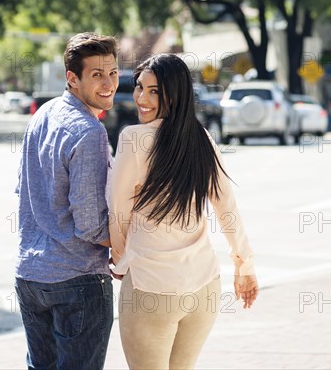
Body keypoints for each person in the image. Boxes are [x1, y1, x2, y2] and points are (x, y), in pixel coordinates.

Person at [109, 54, 258, 370]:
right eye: (139, 88)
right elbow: (227, 207)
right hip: (204, 287)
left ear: (174, 95)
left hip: (152, 286)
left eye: (154, 91)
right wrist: (244, 265)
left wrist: (122, 260)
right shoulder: (201, 138)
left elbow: (117, 213)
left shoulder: (134, 138)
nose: (142, 98)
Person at [14, 33, 119, 370]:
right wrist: (125, 250)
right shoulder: (90, 131)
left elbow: (23, 190)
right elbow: (90, 223)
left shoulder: (42, 115)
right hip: (78, 280)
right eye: (97, 75)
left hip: (31, 277)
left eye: (113, 73)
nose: (109, 84)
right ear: (72, 79)